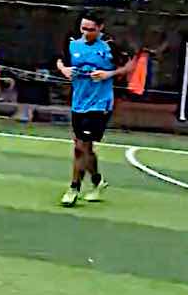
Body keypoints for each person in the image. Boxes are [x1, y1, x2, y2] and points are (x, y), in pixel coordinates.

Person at [55, 12, 136, 206]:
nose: (86, 32)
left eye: (91, 29)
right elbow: (59, 60)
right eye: (84, 28)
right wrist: (64, 69)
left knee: (79, 148)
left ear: (100, 28)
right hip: (78, 102)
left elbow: (131, 65)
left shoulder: (110, 46)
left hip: (100, 104)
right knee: (86, 148)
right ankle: (98, 182)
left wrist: (110, 73)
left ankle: (73, 188)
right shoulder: (73, 43)